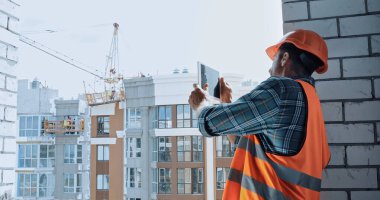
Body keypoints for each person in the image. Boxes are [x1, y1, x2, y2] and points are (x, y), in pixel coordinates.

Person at [188, 29, 331, 200]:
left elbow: (209, 122)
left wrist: (201, 104)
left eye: (275, 59)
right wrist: (227, 102)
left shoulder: (282, 89)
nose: (269, 70)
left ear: (284, 58)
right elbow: (244, 143)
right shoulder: (312, 102)